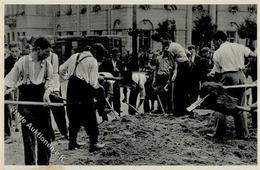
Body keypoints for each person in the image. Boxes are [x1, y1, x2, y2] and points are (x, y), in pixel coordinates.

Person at [5, 37, 55, 165]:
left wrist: (48, 92)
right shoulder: (22, 62)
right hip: (26, 105)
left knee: (45, 138)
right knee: (29, 140)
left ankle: (44, 166)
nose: (49, 54)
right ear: (38, 49)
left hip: (42, 104)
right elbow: (9, 80)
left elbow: (51, 80)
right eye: (47, 52)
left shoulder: (47, 64)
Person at [209, 31, 256, 139]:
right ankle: (243, 134)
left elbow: (217, 73)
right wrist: (246, 66)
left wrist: (216, 86)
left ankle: (219, 133)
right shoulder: (238, 46)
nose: (214, 44)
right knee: (240, 106)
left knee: (220, 105)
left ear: (219, 40)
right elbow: (253, 55)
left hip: (227, 76)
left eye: (215, 42)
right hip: (240, 76)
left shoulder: (218, 52)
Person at [59, 43, 105, 152]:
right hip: (83, 89)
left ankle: (72, 143)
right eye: (99, 56)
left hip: (71, 88)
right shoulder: (92, 61)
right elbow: (93, 83)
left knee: (73, 114)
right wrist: (100, 88)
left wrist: (66, 78)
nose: (98, 59)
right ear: (95, 52)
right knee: (90, 116)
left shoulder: (74, 56)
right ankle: (94, 143)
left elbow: (61, 69)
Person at [46, 51, 68, 139]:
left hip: (54, 86)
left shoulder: (53, 56)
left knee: (59, 111)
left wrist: (55, 90)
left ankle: (64, 132)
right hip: (43, 87)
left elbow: (55, 74)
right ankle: (50, 134)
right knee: (45, 112)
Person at [167, 42, 191, 116]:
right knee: (184, 90)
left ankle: (178, 112)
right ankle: (187, 110)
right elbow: (188, 53)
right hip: (186, 65)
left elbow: (172, 66)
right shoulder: (177, 45)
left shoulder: (170, 49)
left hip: (182, 66)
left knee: (178, 91)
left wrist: (171, 77)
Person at [152, 42, 177, 114]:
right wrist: (154, 79)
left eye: (168, 49)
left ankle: (168, 110)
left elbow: (174, 69)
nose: (166, 50)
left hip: (167, 78)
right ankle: (160, 110)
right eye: (165, 48)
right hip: (160, 77)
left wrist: (170, 79)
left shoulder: (171, 59)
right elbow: (155, 70)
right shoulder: (158, 58)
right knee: (160, 94)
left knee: (168, 95)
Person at [99, 48, 123, 116]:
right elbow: (100, 71)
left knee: (117, 98)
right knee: (108, 98)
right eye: (117, 55)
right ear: (113, 55)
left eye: (119, 55)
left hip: (116, 83)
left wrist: (119, 73)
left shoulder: (120, 62)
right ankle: (108, 114)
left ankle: (118, 114)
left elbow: (122, 72)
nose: (118, 57)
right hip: (108, 83)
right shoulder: (106, 62)